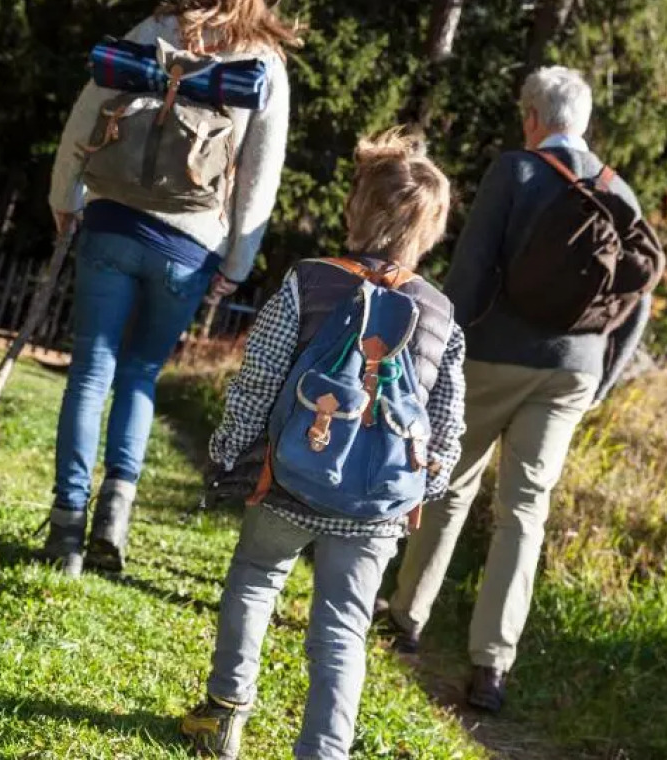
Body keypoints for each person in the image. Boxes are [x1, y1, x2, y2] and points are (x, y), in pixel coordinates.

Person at [181, 130, 466, 760]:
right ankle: (324, 752)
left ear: (356, 209)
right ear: (431, 231)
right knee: (343, 629)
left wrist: (230, 451)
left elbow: (259, 378)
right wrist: (423, 487)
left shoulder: (309, 281)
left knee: (255, 580)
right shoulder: (441, 314)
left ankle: (224, 717)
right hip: (378, 506)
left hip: (287, 480)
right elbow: (446, 427)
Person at [378, 66, 654, 713]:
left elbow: (472, 269)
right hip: (573, 370)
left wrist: (440, 351)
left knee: (450, 482)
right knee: (525, 511)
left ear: (533, 116)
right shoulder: (621, 190)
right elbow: (638, 298)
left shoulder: (516, 171)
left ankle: (406, 618)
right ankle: (491, 667)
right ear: (581, 122)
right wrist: (599, 382)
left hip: (494, 355)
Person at [43, 0, 299, 577]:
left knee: (89, 374)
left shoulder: (155, 29)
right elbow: (260, 181)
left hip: (109, 220)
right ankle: (115, 517)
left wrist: (65, 197)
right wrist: (238, 263)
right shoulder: (262, 61)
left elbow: (86, 114)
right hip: (187, 245)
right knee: (138, 376)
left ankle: (67, 527)